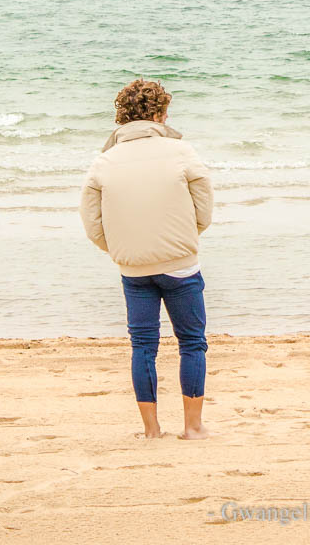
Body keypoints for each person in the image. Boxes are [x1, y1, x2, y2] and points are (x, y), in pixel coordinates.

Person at [79, 79, 213, 439]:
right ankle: (193, 427)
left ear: (121, 117)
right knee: (192, 342)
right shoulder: (182, 151)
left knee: (143, 346)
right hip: (181, 264)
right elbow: (204, 210)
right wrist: (184, 239)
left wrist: (124, 249)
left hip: (133, 268)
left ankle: (152, 431)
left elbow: (93, 225)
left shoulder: (103, 161)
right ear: (161, 114)